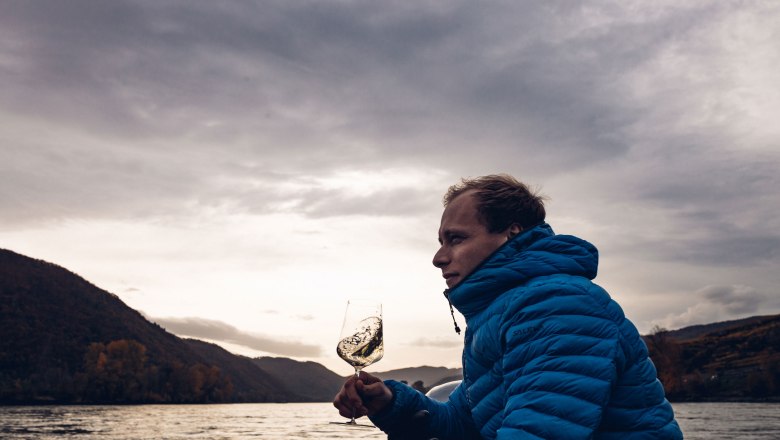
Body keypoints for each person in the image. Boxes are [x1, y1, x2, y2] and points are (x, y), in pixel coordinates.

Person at [333, 174, 683, 439]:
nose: (439, 258)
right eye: (441, 242)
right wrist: (389, 402)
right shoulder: (503, 313)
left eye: (456, 239)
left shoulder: (557, 305)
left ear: (511, 233)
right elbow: (460, 422)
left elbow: (539, 432)